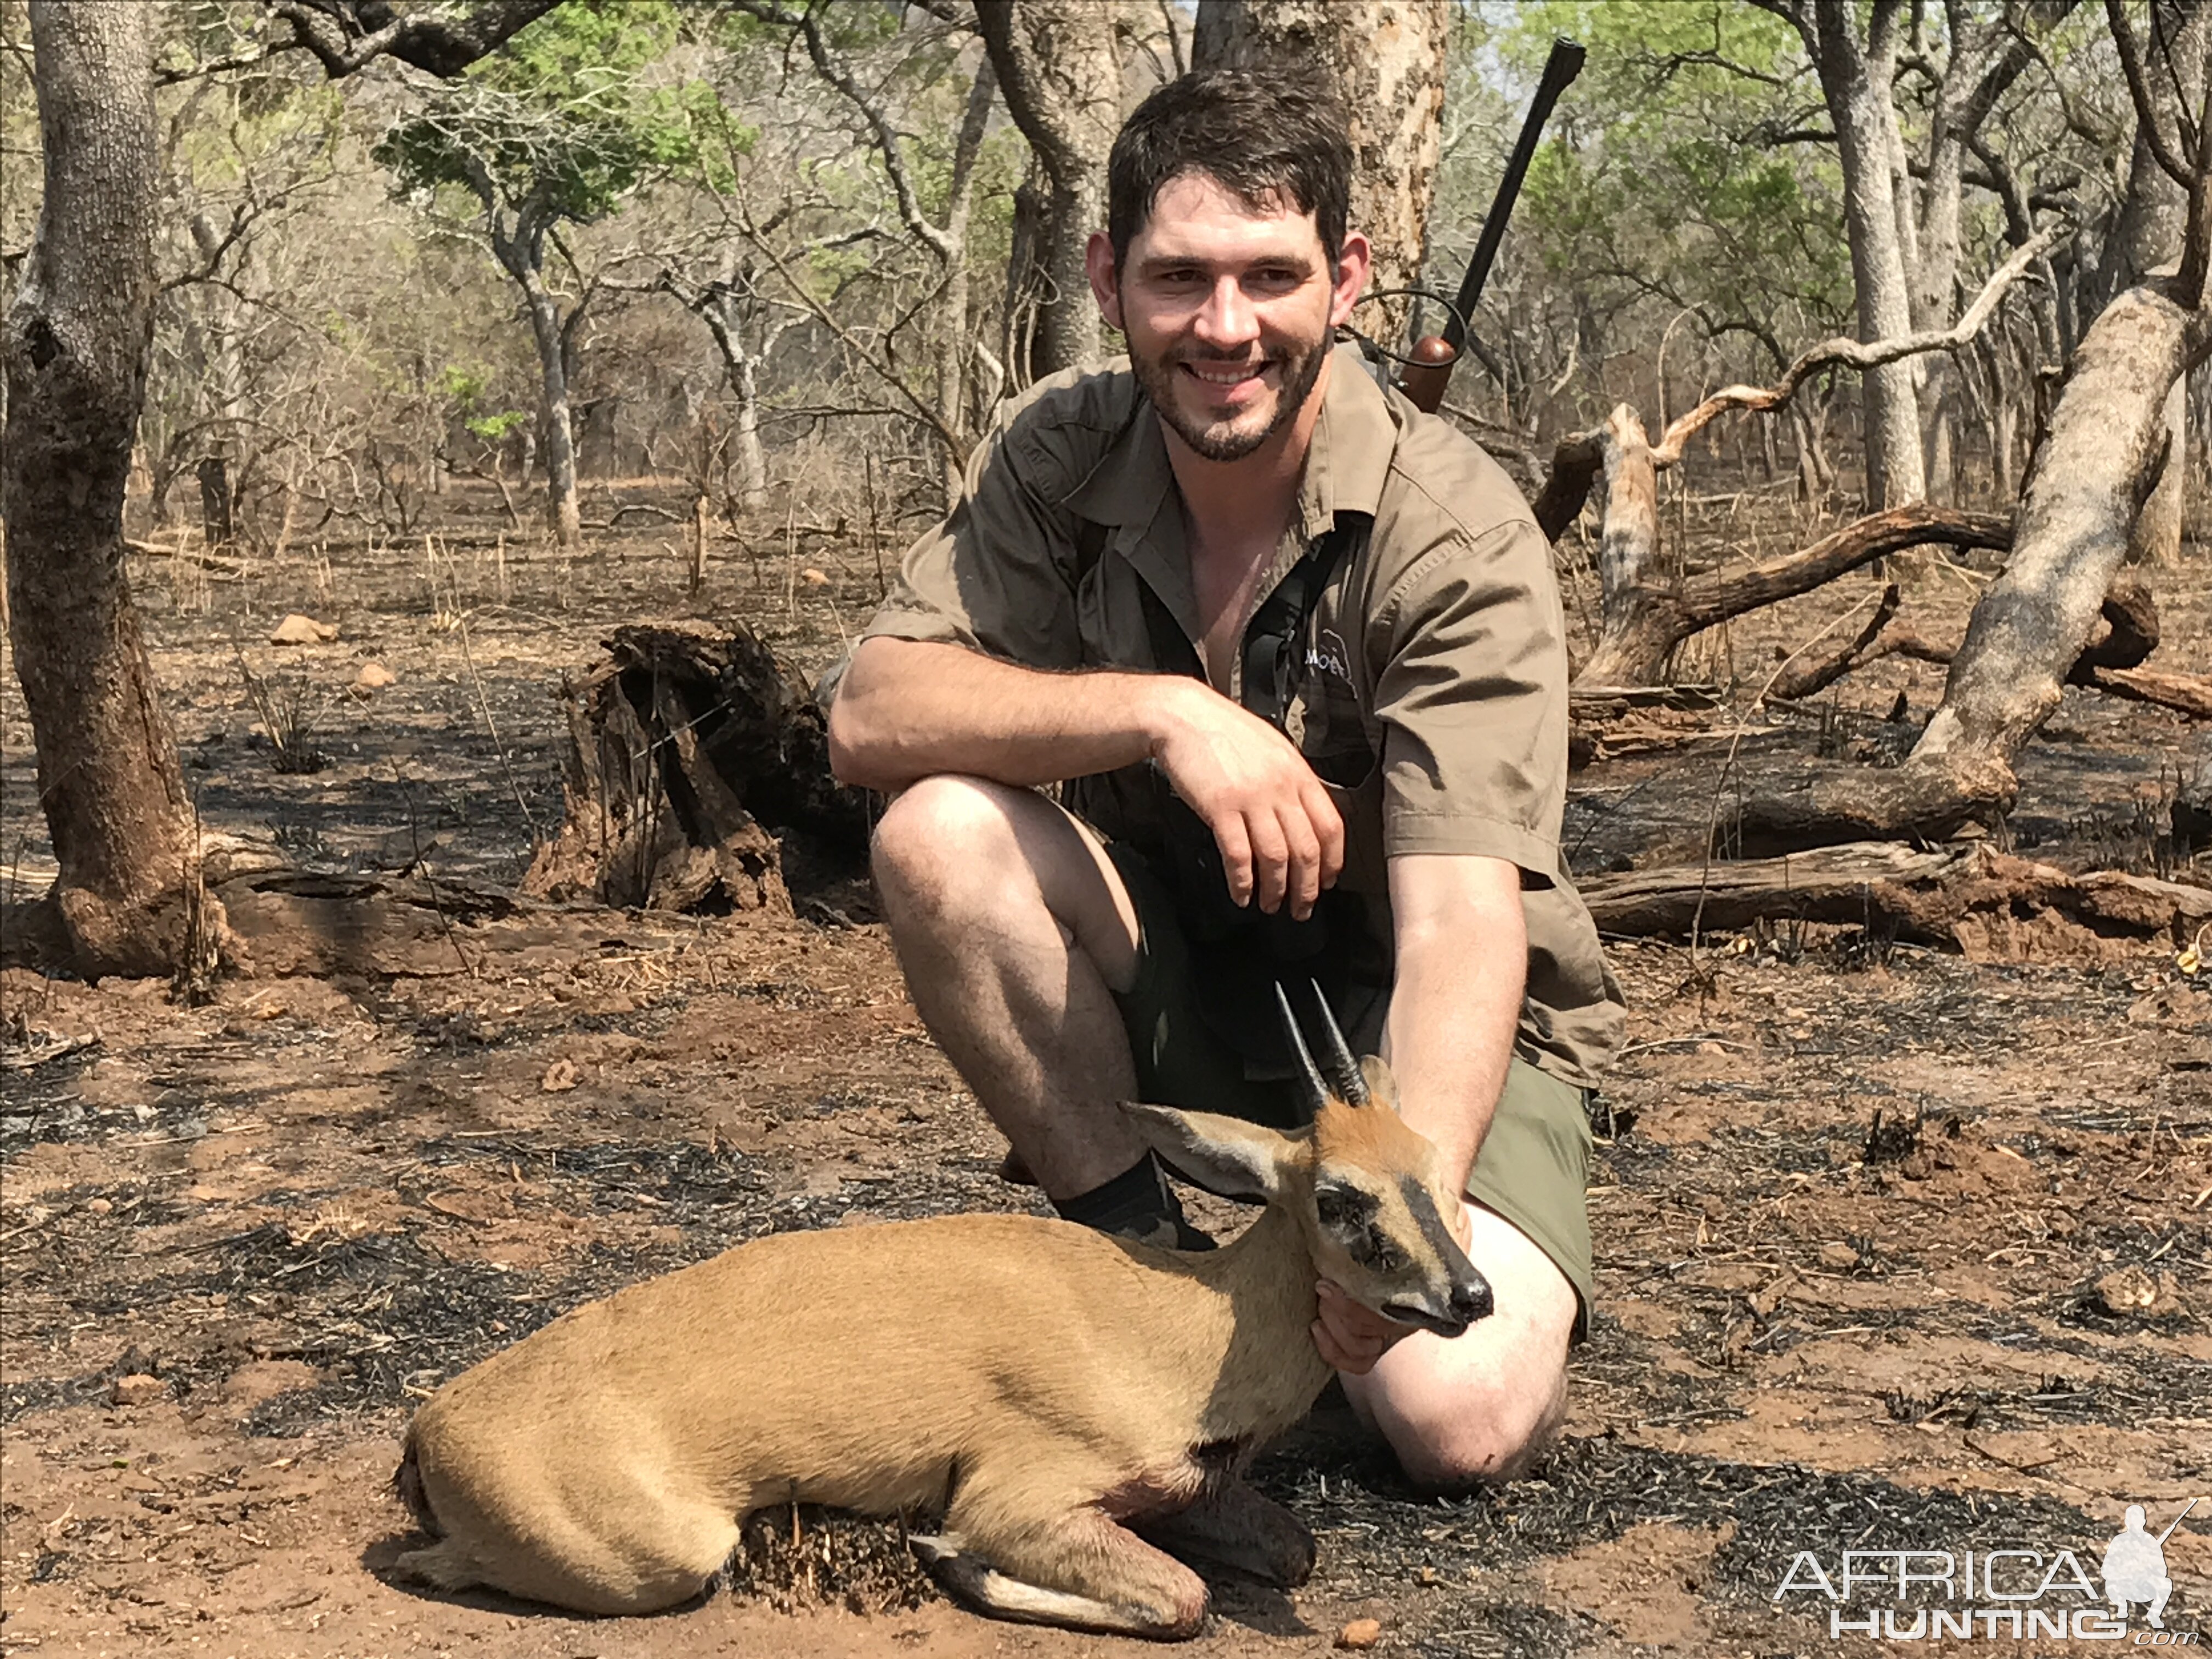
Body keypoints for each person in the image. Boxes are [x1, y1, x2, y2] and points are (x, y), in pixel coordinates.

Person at [826, 65, 1623, 1489]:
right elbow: (874, 714)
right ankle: (1136, 1268)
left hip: (1407, 1030)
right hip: (1194, 977)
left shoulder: (1458, 536)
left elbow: (1460, 931)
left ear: (1349, 276)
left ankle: (1397, 1268)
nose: (1225, 326)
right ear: (1106, 277)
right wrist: (1165, 712)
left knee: (1454, 1420)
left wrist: (1409, 1203)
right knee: (937, 834)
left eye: (1271, 274)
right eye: (1179, 276)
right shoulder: (1060, 449)